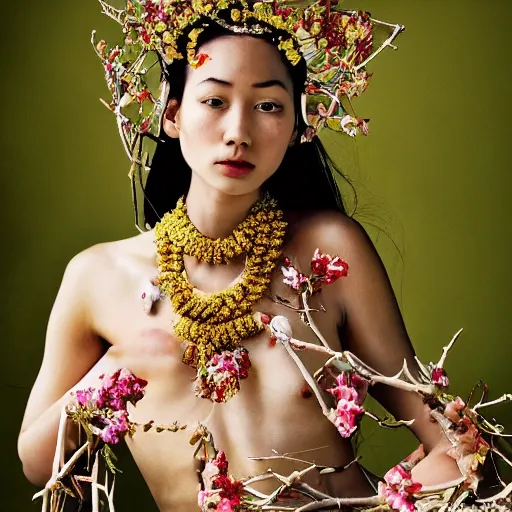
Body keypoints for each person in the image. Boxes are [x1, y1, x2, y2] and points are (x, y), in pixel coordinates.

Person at [17, 2, 461, 511]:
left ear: (297, 125)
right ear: (172, 115)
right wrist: (122, 365)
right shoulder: (98, 277)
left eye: (269, 105)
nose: (238, 132)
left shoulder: (331, 249)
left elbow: (450, 439)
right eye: (214, 101)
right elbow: (35, 462)